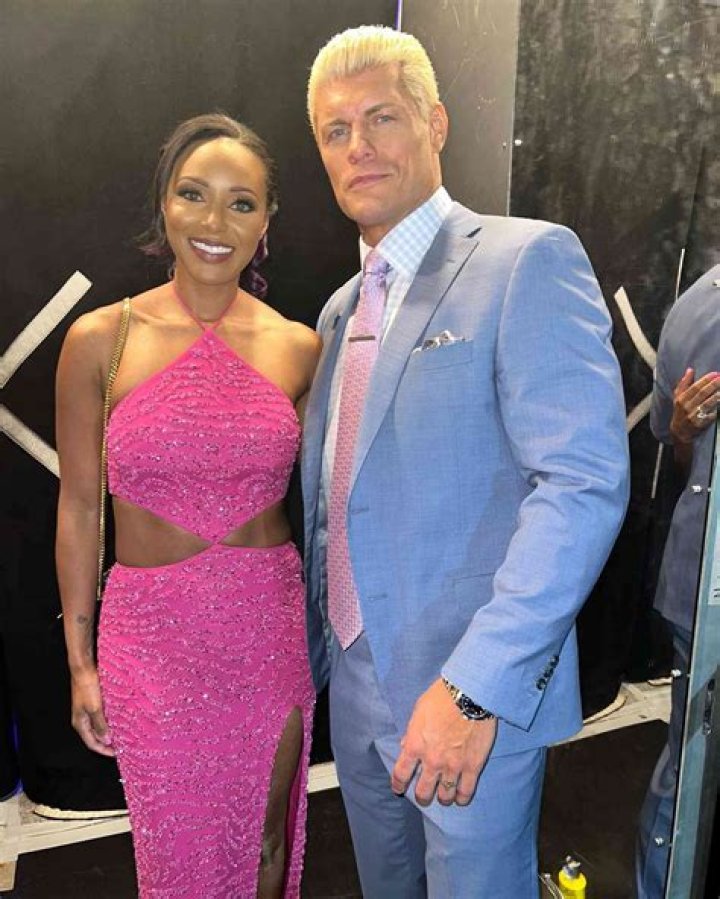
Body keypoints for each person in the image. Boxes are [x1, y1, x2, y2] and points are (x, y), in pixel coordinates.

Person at [301, 26, 630, 898]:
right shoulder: (339, 311)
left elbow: (581, 487)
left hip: (470, 697)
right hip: (356, 688)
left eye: (382, 116)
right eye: (335, 130)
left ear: (436, 123)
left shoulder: (526, 260)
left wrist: (475, 689)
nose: (359, 145)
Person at [55, 113, 321, 898]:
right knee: (175, 854)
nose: (214, 222)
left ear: (266, 222)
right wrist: (79, 662)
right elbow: (79, 509)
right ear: (164, 203)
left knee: (265, 839)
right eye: (194, 194)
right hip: (150, 639)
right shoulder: (99, 339)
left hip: (266, 629)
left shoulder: (300, 346)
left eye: (242, 203)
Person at [636, 265, 720, 898]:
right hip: (702, 581)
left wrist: (685, 434)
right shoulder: (697, 310)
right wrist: (686, 431)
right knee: (690, 761)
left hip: (696, 580)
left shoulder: (693, 305)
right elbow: (675, 445)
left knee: (690, 759)